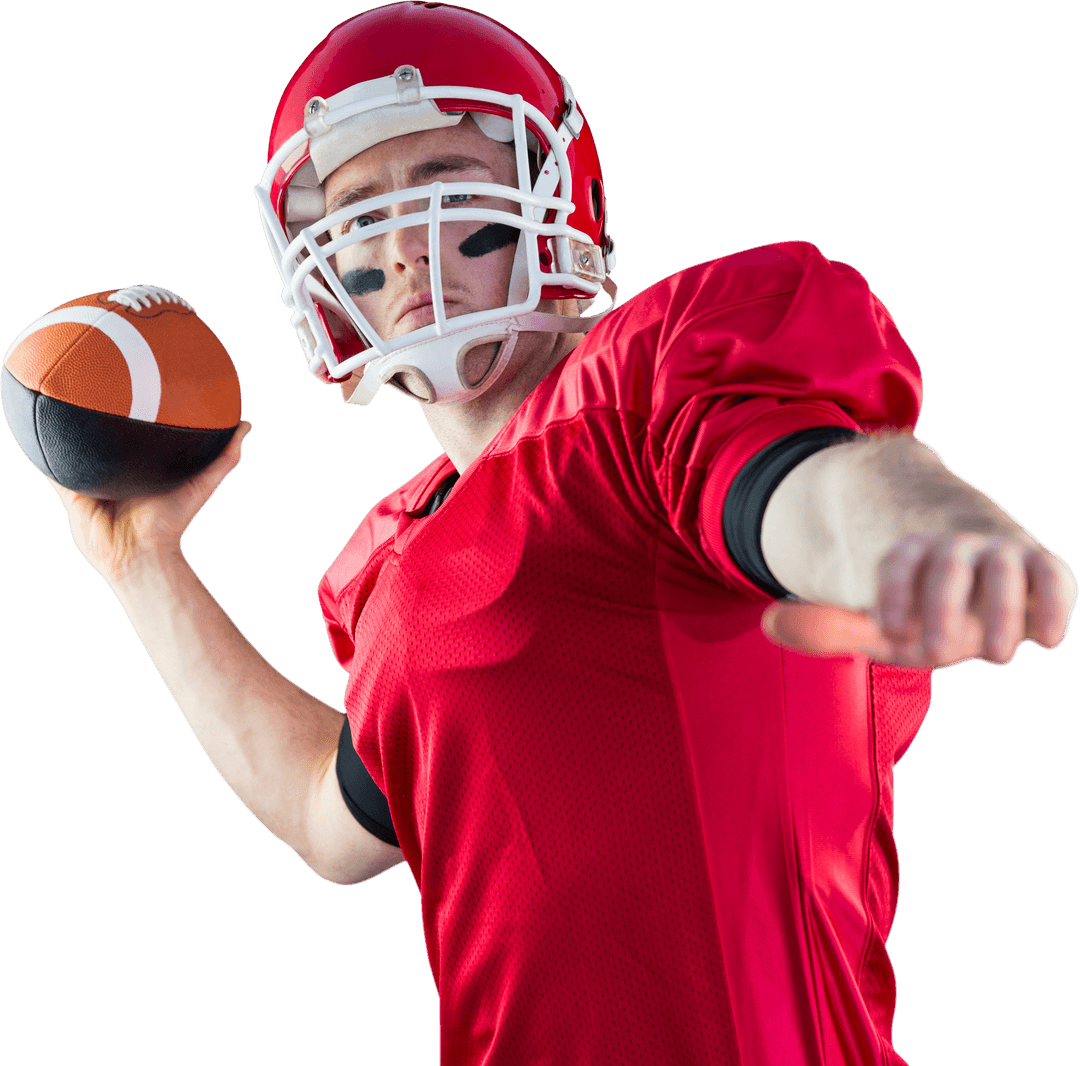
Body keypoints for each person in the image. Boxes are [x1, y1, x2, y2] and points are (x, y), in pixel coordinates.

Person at [43, 4, 1075, 1064]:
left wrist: (918, 537)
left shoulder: (648, 393)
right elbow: (329, 822)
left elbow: (809, 481)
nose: (404, 250)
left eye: (446, 189)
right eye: (359, 215)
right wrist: (140, 565)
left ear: (553, 206)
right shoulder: (392, 564)